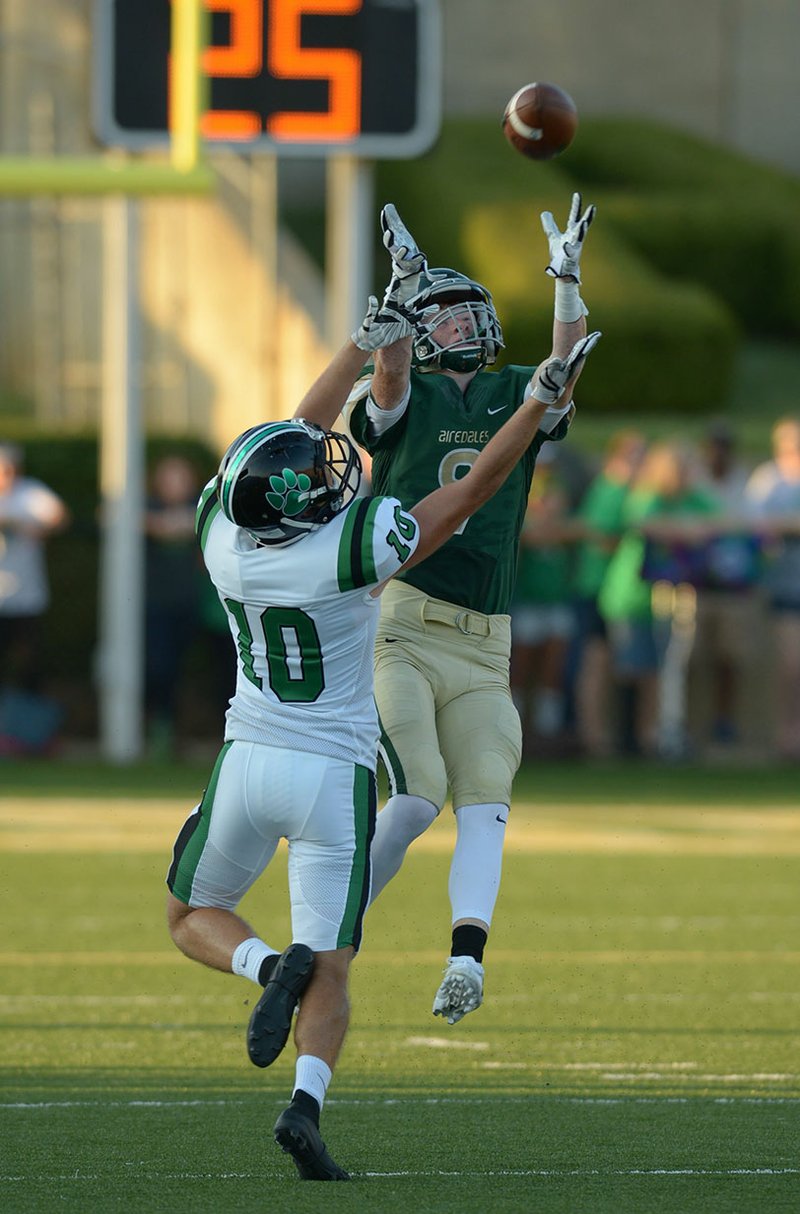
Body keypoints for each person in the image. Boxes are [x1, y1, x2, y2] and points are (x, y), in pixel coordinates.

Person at [165, 265, 600, 1180]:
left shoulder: (220, 536)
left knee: (188, 915)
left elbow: (289, 437)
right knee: (336, 965)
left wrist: (365, 347)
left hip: (247, 760)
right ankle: (307, 1107)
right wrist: (530, 408)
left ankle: (258, 966)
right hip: (334, 780)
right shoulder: (354, 546)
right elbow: (471, 493)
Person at [345, 195, 597, 1025]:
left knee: (486, 797)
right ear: (415, 330)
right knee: (416, 798)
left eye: (471, 311)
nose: (468, 323)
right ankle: (331, 936)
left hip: (488, 642)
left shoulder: (503, 391)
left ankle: (467, 962)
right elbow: (383, 389)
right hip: (407, 627)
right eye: (447, 316)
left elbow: (562, 369)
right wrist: (397, 310)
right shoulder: (405, 386)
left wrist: (565, 282)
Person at [0, 443, 69, 753]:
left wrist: (30, 526)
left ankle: (28, 737)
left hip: (25, 600)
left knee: (29, 667)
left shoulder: (29, 494)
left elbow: (58, 516)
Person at [744, 417, 800, 760]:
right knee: (790, 664)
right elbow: (756, 530)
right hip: (784, 586)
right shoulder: (768, 481)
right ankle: (786, 734)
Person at [143, 454, 205, 757]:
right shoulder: (146, 505)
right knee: (158, 667)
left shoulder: (202, 506)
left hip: (188, 604)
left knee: (183, 671)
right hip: (155, 605)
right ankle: (158, 728)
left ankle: (174, 730)